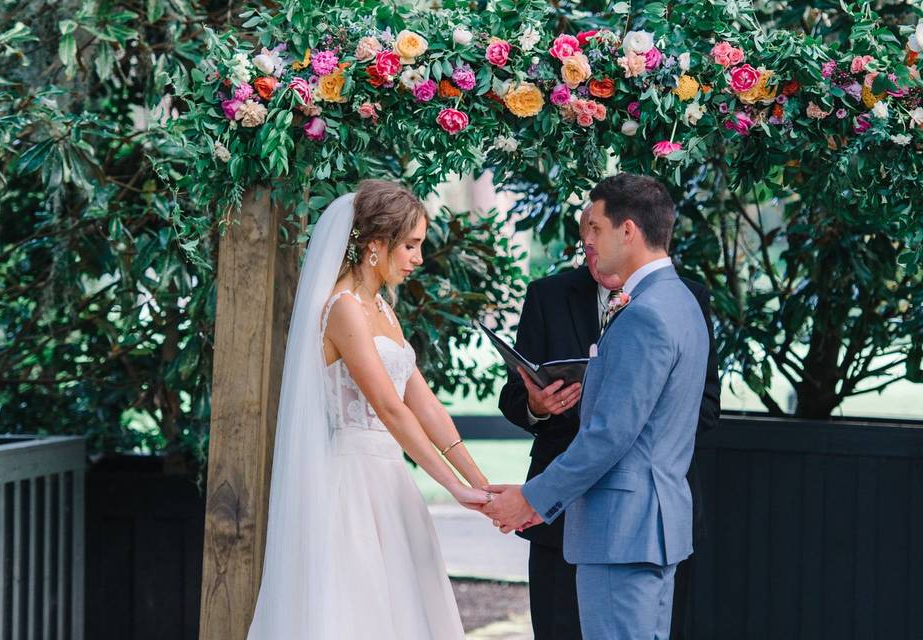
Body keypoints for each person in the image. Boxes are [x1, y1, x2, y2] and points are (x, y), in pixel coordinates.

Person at [247, 180, 490, 640]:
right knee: (360, 611)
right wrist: (453, 489)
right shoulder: (343, 309)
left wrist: (481, 485)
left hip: (389, 480)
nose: (418, 257)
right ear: (376, 246)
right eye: (411, 245)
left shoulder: (382, 308)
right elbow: (390, 409)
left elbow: (425, 404)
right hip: (351, 483)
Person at [486, 173, 709, 640]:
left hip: (620, 533)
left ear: (628, 230)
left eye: (596, 228)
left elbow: (609, 436)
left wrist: (531, 499)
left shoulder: (644, 313)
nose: (586, 237)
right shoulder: (680, 300)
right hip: (652, 529)